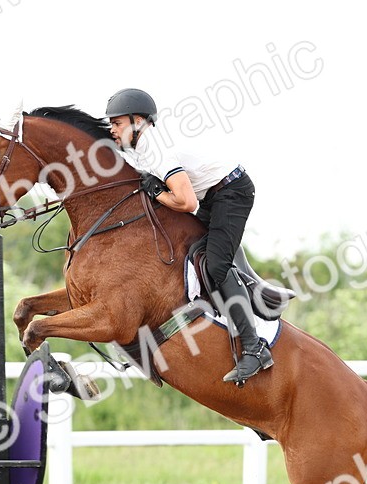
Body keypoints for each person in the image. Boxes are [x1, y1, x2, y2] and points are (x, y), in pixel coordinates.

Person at [105, 87, 273, 386]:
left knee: (216, 265)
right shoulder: (141, 147)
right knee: (186, 253)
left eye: (117, 123)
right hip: (213, 194)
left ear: (138, 121)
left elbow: (186, 202)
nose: (112, 130)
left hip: (231, 193)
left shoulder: (156, 151)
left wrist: (157, 192)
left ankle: (255, 347)